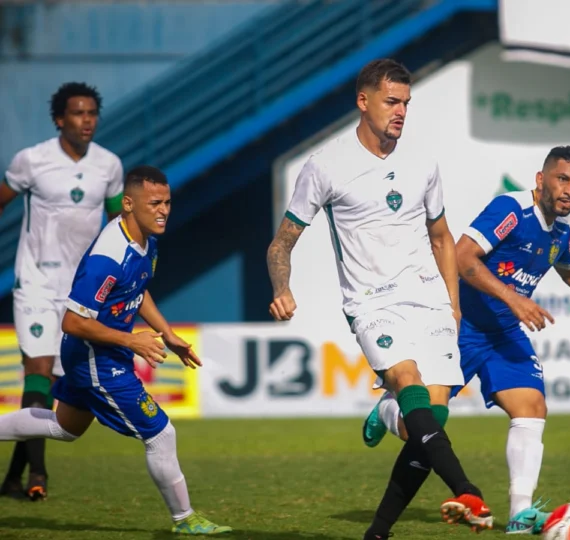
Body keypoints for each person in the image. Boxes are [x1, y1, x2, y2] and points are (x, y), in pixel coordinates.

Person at [362, 145, 570, 534]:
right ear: (541, 179)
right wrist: (513, 298)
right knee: (420, 428)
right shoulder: (511, 210)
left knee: (532, 406)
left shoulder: (560, 233)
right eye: (562, 179)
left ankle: (520, 513)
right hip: (459, 327)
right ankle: (389, 410)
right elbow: (462, 256)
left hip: (503, 334)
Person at [266, 58, 493, 539]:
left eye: (406, 103)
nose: (401, 111)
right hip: (372, 303)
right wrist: (282, 288)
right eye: (392, 101)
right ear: (363, 101)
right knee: (408, 383)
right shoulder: (325, 165)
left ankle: (377, 528)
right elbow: (281, 243)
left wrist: (452, 303)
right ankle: (467, 490)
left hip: (429, 298)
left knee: (428, 422)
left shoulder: (422, 164)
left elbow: (441, 237)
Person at [0, 166, 232, 535]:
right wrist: (132, 340)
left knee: (64, 427)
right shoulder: (107, 257)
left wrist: (168, 334)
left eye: (167, 202)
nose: (163, 210)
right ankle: (185, 519)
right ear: (128, 204)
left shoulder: (146, 242)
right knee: (160, 433)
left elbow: (136, 291)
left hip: (99, 352)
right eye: (154, 203)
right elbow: (72, 322)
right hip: (96, 358)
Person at [0, 82, 124, 501]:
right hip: (35, 282)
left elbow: (117, 228)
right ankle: (39, 473)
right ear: (59, 119)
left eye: (91, 113)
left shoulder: (109, 165)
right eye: (77, 113)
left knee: (56, 382)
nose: (86, 120)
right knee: (37, 369)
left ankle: (13, 479)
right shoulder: (31, 160)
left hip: (80, 291)